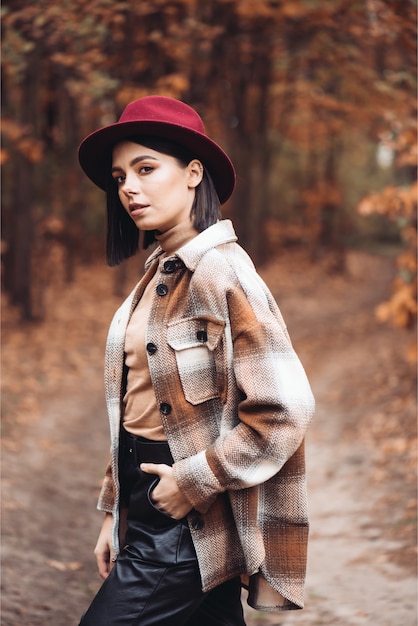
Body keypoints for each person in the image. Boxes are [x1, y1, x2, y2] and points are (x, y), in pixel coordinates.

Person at [77, 95, 315, 626]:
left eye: (145, 168)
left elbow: (286, 409)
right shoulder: (158, 276)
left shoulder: (220, 273)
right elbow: (141, 404)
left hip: (188, 515)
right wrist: (116, 512)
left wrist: (195, 480)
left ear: (192, 173)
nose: (129, 189)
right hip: (149, 500)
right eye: (119, 178)